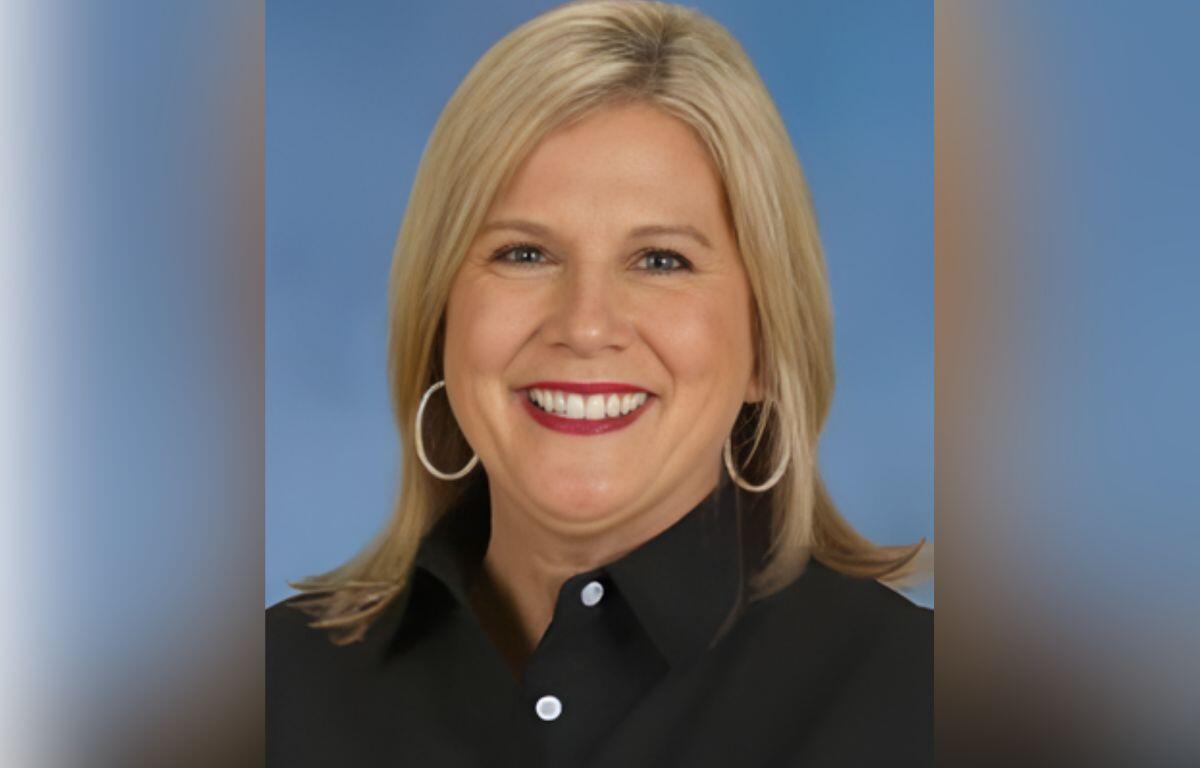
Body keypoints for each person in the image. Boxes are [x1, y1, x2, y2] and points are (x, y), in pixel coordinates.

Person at [268, 1, 931, 765]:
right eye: (524, 254)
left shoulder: (924, 709)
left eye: (660, 261)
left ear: (763, 344)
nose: (585, 326)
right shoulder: (270, 693)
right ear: (442, 316)